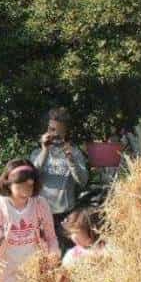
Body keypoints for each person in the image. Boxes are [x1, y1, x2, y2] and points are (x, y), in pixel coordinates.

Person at [31, 107, 88, 250]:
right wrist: (45, 151)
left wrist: (71, 159)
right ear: (46, 130)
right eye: (51, 130)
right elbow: (31, 178)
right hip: (41, 214)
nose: (54, 135)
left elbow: (82, 181)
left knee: (66, 255)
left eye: (58, 132)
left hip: (66, 214)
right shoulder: (37, 153)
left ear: (65, 132)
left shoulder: (74, 153)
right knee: (44, 255)